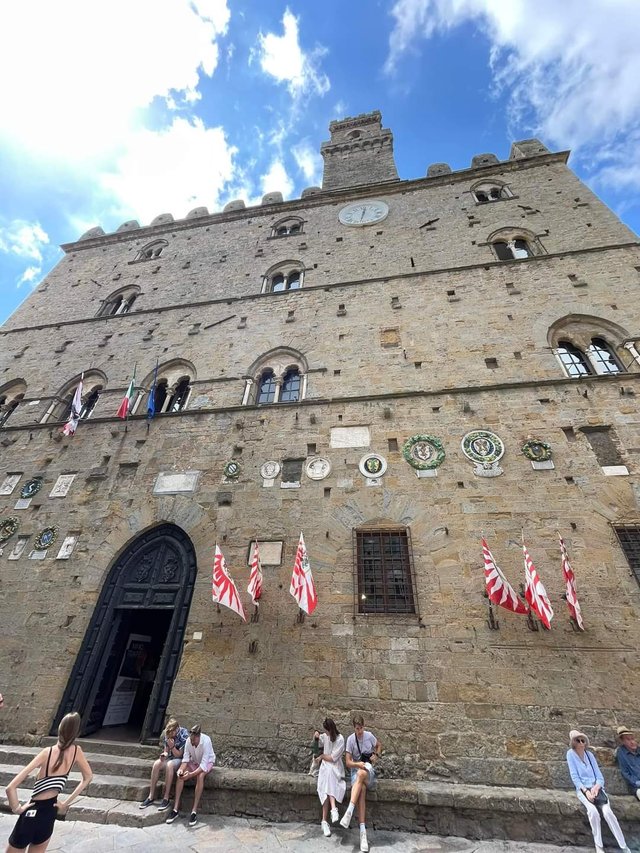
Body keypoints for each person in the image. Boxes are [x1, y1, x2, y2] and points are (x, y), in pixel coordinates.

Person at [4, 711, 93, 853]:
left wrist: (17, 808)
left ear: (59, 729)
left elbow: (10, 787)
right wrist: (65, 804)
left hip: (32, 811)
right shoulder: (77, 751)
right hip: (50, 812)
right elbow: (88, 777)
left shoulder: (47, 752)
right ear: (77, 732)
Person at [566, 729, 631, 853]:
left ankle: (623, 846)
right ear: (573, 743)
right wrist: (587, 792)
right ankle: (599, 845)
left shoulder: (590, 755)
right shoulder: (570, 754)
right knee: (593, 813)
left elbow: (599, 777)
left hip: (597, 789)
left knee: (608, 813)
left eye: (582, 740)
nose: (581, 742)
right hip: (583, 790)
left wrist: (596, 787)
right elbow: (575, 777)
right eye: (578, 740)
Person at [339, 714, 381, 853]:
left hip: (368, 773)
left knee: (362, 774)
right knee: (361, 789)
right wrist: (358, 764)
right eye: (357, 728)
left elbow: (378, 745)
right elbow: (348, 762)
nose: (359, 731)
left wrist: (376, 755)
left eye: (361, 728)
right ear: (354, 728)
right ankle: (363, 834)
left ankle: (349, 810)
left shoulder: (369, 736)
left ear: (364, 726)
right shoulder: (350, 740)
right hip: (355, 773)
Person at [165, 724, 215, 828]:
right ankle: (175, 808)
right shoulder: (188, 741)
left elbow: (203, 765)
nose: (192, 743)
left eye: (194, 741)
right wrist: (181, 770)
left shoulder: (206, 741)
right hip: (194, 761)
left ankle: (194, 811)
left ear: (198, 737)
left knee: (200, 776)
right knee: (180, 775)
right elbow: (185, 760)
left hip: (207, 762)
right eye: (191, 741)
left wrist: (191, 775)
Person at [139, 717, 189, 810]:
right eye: (169, 733)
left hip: (179, 759)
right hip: (170, 757)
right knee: (156, 764)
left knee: (170, 765)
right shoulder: (168, 733)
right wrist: (163, 755)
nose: (171, 735)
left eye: (172, 733)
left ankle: (166, 797)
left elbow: (179, 754)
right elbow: (166, 751)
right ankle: (151, 796)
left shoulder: (184, 734)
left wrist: (173, 746)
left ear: (177, 729)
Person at [315, 718, 346, 838]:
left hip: (335, 767)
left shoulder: (340, 739)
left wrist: (322, 756)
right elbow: (318, 740)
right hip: (326, 768)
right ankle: (333, 809)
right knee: (328, 775)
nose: (326, 734)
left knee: (329, 777)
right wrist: (316, 734)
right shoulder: (325, 736)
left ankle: (324, 821)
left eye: (327, 731)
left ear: (331, 730)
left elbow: (333, 758)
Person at [616, 725, 640, 800]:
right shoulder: (621, 753)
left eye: (633, 739)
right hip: (636, 786)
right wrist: (637, 782)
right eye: (628, 740)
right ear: (623, 741)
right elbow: (625, 773)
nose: (632, 742)